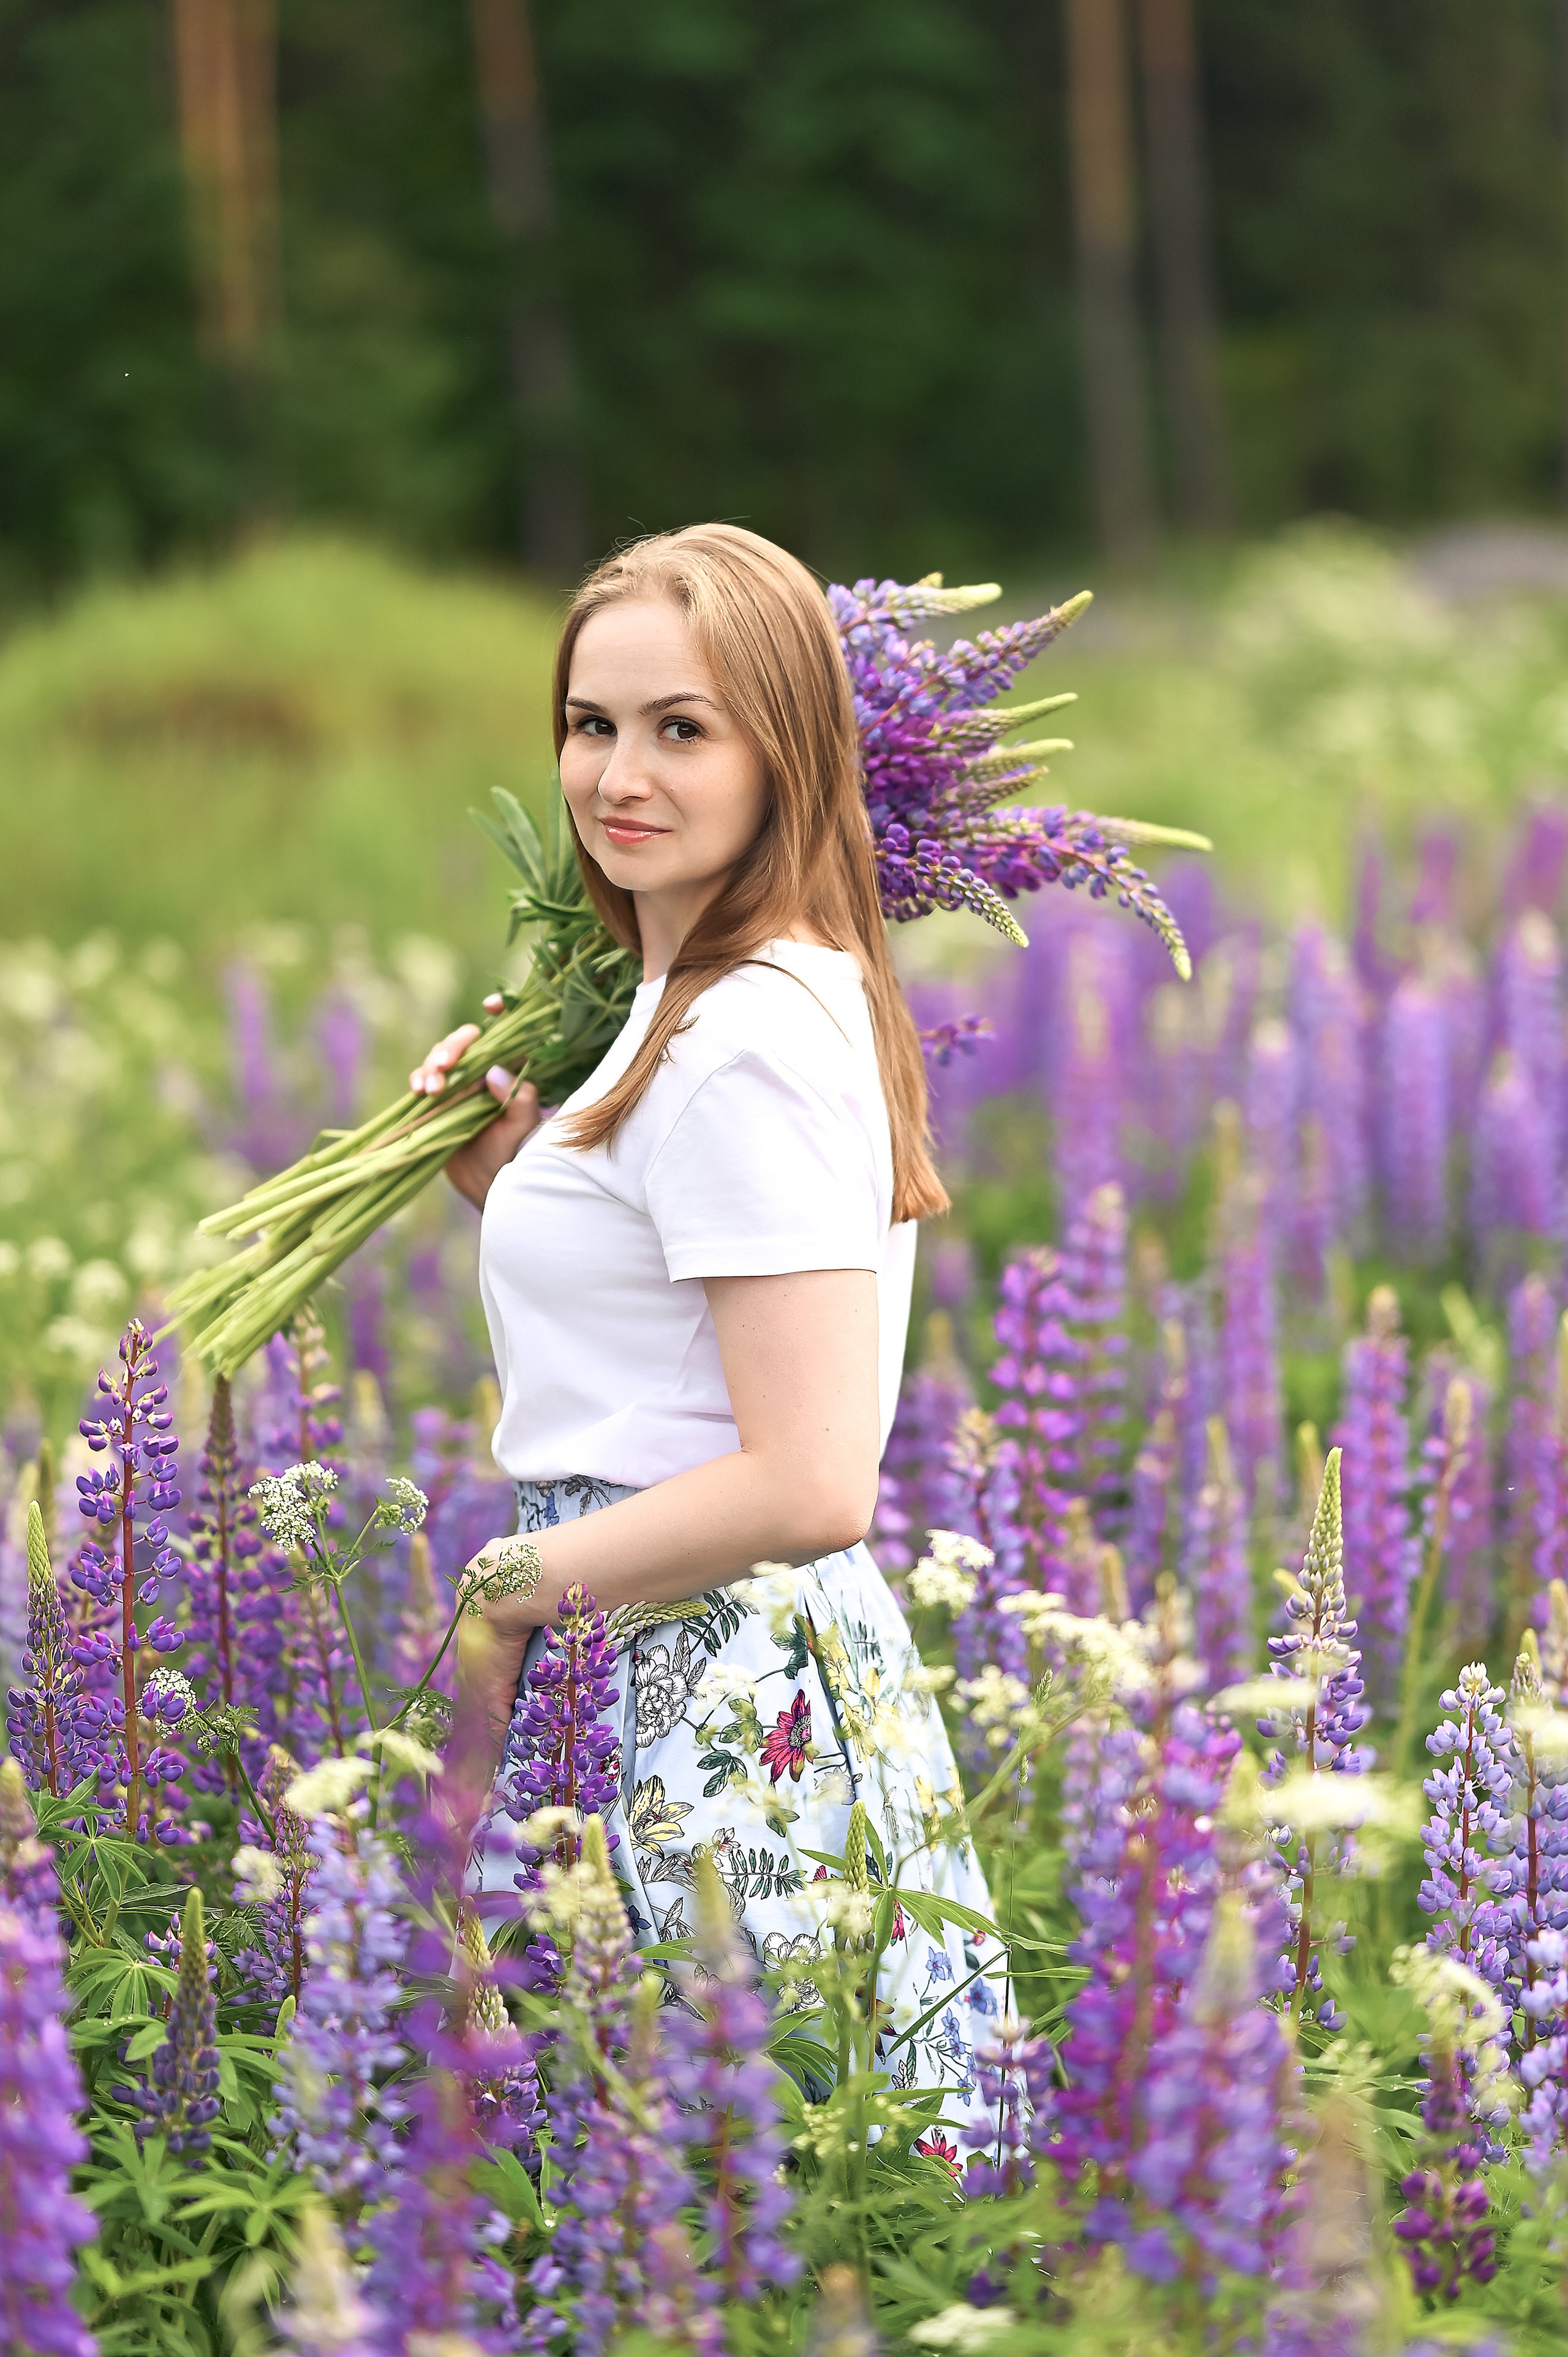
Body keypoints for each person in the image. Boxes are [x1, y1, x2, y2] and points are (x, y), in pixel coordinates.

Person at [412, 523, 999, 2122]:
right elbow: (682, 1327)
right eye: (591, 724)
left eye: (684, 729)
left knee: (724, 2188)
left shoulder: (742, 1033)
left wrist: (504, 1591)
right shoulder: (708, 999)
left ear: (784, 754)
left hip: (713, 1676)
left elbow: (810, 1483)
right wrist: (517, 1186)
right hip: (673, 1635)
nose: (619, 774)